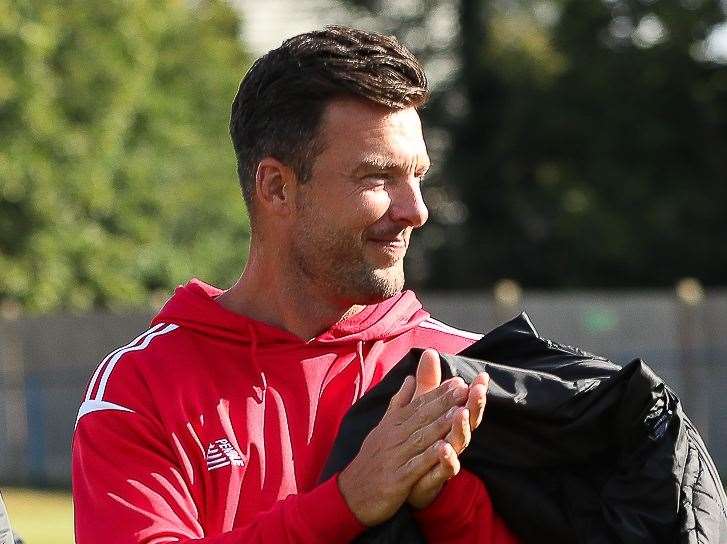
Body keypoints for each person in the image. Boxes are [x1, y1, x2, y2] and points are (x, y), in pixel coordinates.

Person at [72, 26, 518, 543]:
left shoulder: (465, 372)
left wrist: (444, 503)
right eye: (378, 178)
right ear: (277, 187)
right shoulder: (142, 386)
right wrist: (347, 501)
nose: (414, 210)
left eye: (416, 175)